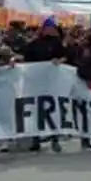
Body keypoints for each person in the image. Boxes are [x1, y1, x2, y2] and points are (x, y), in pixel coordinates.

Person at [21, 18, 66, 152]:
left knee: (53, 109)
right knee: (36, 110)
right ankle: (35, 139)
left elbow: (65, 56)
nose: (50, 30)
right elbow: (26, 60)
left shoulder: (57, 43)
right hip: (36, 82)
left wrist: (59, 61)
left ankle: (54, 139)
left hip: (52, 82)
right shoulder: (34, 44)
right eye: (48, 28)